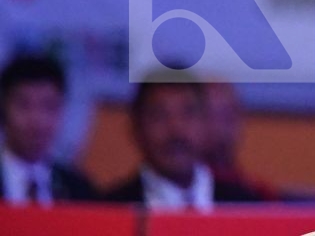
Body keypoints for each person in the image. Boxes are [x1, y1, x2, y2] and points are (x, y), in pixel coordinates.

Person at [102, 81, 264, 209]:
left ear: (206, 123)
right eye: (159, 115)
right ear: (136, 128)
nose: (176, 130)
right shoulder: (110, 209)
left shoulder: (246, 205)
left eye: (188, 113)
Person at [0, 53, 96, 204]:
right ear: (3, 108)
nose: (37, 120)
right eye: (23, 105)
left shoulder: (79, 189)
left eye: (49, 106)